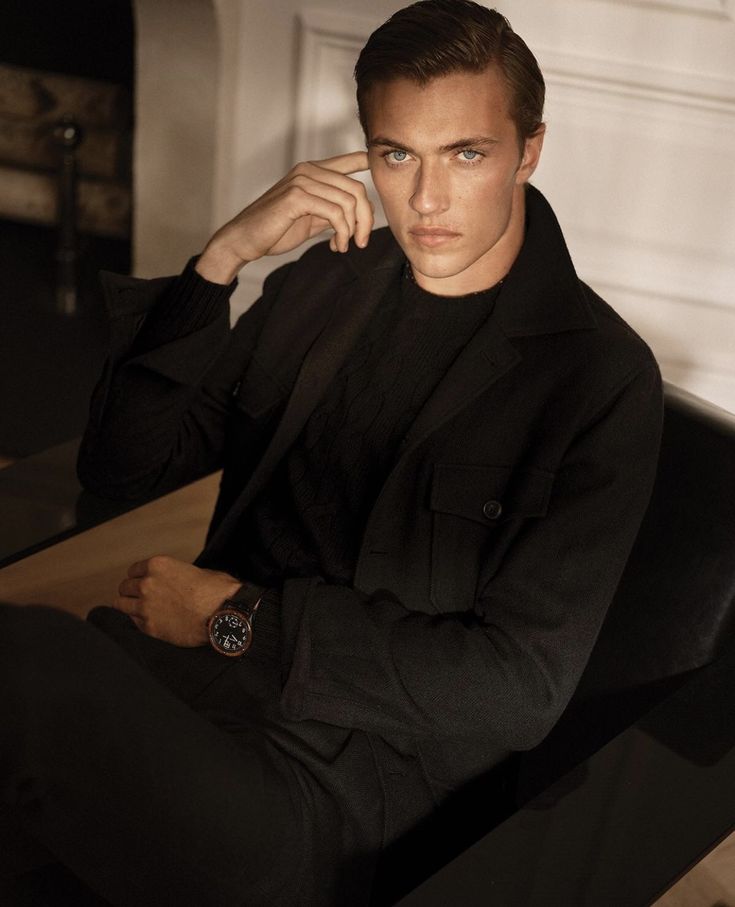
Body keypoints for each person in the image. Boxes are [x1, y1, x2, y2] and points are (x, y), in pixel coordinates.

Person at [0, 1, 663, 904]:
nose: (425, 200)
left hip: (335, 791)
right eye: (397, 155)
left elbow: (516, 690)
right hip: (181, 694)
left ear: (527, 151)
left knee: (24, 657)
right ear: (365, 152)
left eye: (465, 154)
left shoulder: (596, 375)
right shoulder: (332, 281)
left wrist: (235, 617)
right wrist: (219, 263)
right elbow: (122, 469)